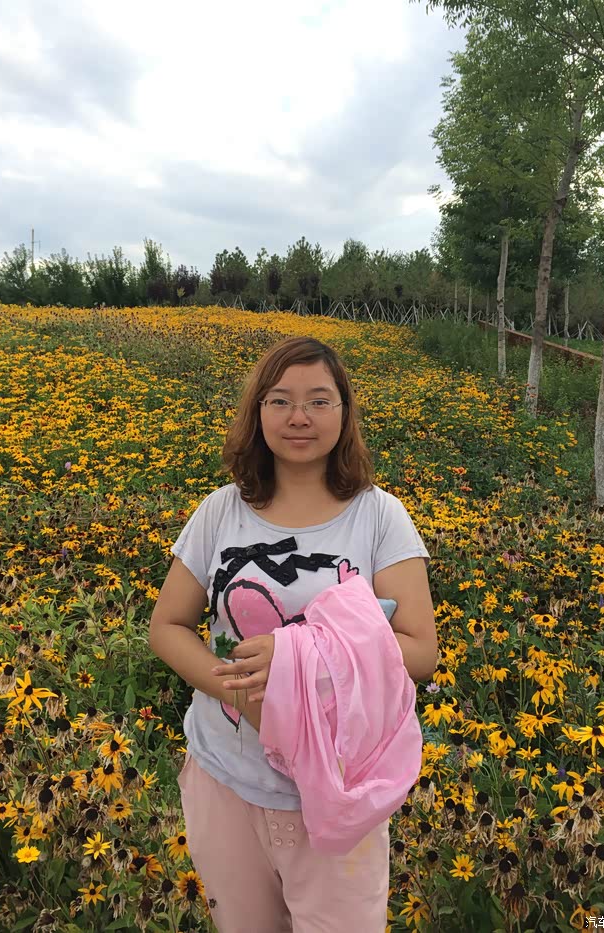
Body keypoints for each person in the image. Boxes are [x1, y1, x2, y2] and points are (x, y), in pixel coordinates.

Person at [149, 335, 438, 933]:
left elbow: (419, 650)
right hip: (225, 776)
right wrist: (240, 691)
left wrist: (297, 658)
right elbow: (167, 626)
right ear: (258, 412)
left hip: (341, 788)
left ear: (344, 412)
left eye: (319, 400)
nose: (299, 417)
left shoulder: (380, 516)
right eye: (280, 400)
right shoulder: (220, 511)